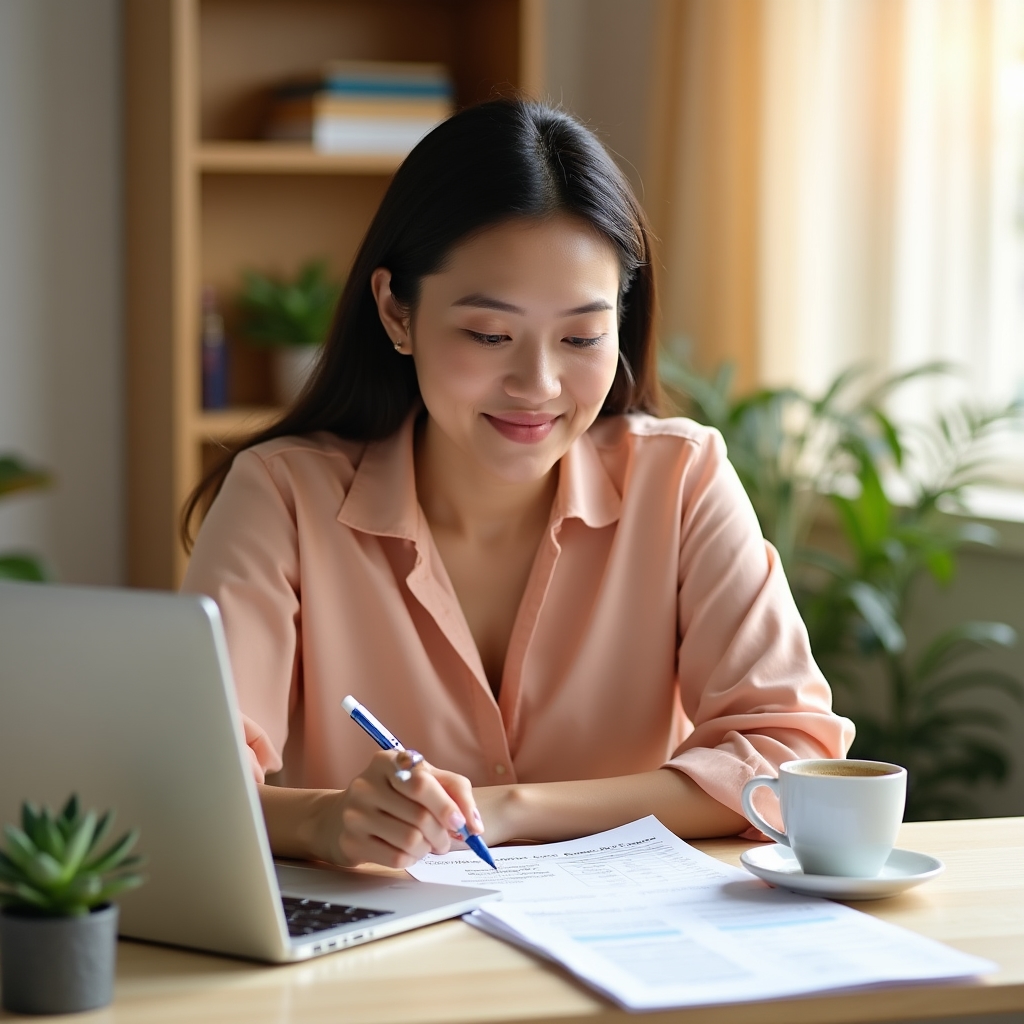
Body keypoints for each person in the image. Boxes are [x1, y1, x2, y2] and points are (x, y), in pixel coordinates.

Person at [182, 99, 854, 871]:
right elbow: (190, 782)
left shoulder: (682, 480)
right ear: (396, 312)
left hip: (633, 959)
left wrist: (510, 810)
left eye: (580, 337)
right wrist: (324, 824)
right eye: (489, 335)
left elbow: (786, 754)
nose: (537, 383)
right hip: (375, 963)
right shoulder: (283, 496)